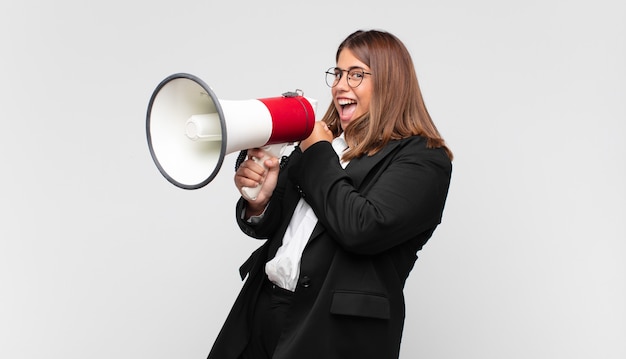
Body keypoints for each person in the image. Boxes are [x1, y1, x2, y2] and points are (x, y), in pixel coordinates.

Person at [207, 29, 453, 359]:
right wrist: (261, 201)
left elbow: (361, 228)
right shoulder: (325, 143)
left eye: (356, 75)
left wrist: (320, 150)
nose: (339, 85)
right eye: (337, 73)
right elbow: (274, 226)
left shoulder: (423, 160)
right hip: (263, 311)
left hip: (330, 333)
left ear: (390, 84)